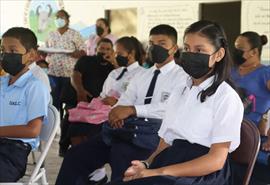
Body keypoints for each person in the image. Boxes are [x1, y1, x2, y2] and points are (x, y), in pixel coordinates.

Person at [105, 20, 244, 185]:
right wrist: (146, 164)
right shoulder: (180, 90)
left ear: (219, 55)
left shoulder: (226, 97)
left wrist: (157, 172)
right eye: (187, 48)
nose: (191, 54)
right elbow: (166, 140)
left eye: (199, 50)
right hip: (171, 161)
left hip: (202, 173)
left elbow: (216, 161)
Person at [55, 24, 187, 185]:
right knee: (75, 156)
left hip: (153, 136)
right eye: (152, 44)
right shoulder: (142, 75)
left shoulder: (182, 77)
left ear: (174, 48)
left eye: (162, 44)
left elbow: (169, 108)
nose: (155, 48)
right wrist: (118, 112)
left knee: (121, 158)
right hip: (125, 130)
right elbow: (126, 98)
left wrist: (132, 110)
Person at [68, 36, 146, 184]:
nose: (115, 56)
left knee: (96, 129)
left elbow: (138, 101)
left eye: (118, 53)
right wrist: (104, 100)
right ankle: (93, 168)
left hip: (122, 114)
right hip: (103, 110)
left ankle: (96, 167)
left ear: (130, 54)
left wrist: (116, 102)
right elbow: (104, 93)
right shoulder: (115, 73)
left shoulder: (141, 74)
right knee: (75, 127)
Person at [0, 27, 50, 182]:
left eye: (13, 51)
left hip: (12, 153)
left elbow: (33, 130)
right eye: (3, 50)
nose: (6, 55)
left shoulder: (34, 86)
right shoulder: (2, 82)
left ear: (32, 55)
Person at [58, 38, 115, 156]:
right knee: (69, 116)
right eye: (102, 48)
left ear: (112, 51)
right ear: (96, 49)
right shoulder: (86, 60)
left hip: (98, 103)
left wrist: (114, 62)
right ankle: (63, 146)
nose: (104, 51)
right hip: (78, 96)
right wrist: (81, 91)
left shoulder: (112, 67)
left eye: (108, 49)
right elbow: (75, 75)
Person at [232, 32, 270, 184]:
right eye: (235, 47)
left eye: (240, 48)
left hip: (252, 135)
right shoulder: (230, 70)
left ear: (254, 52)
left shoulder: (265, 73)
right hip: (227, 131)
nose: (236, 51)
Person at [45, 9, 86, 113]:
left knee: (69, 103)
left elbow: (84, 52)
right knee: (53, 102)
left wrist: (76, 53)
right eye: (57, 18)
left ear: (67, 20)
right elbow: (46, 51)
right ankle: (55, 126)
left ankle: (66, 125)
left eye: (61, 17)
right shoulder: (51, 34)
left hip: (69, 75)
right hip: (53, 73)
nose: (59, 20)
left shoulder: (74, 34)